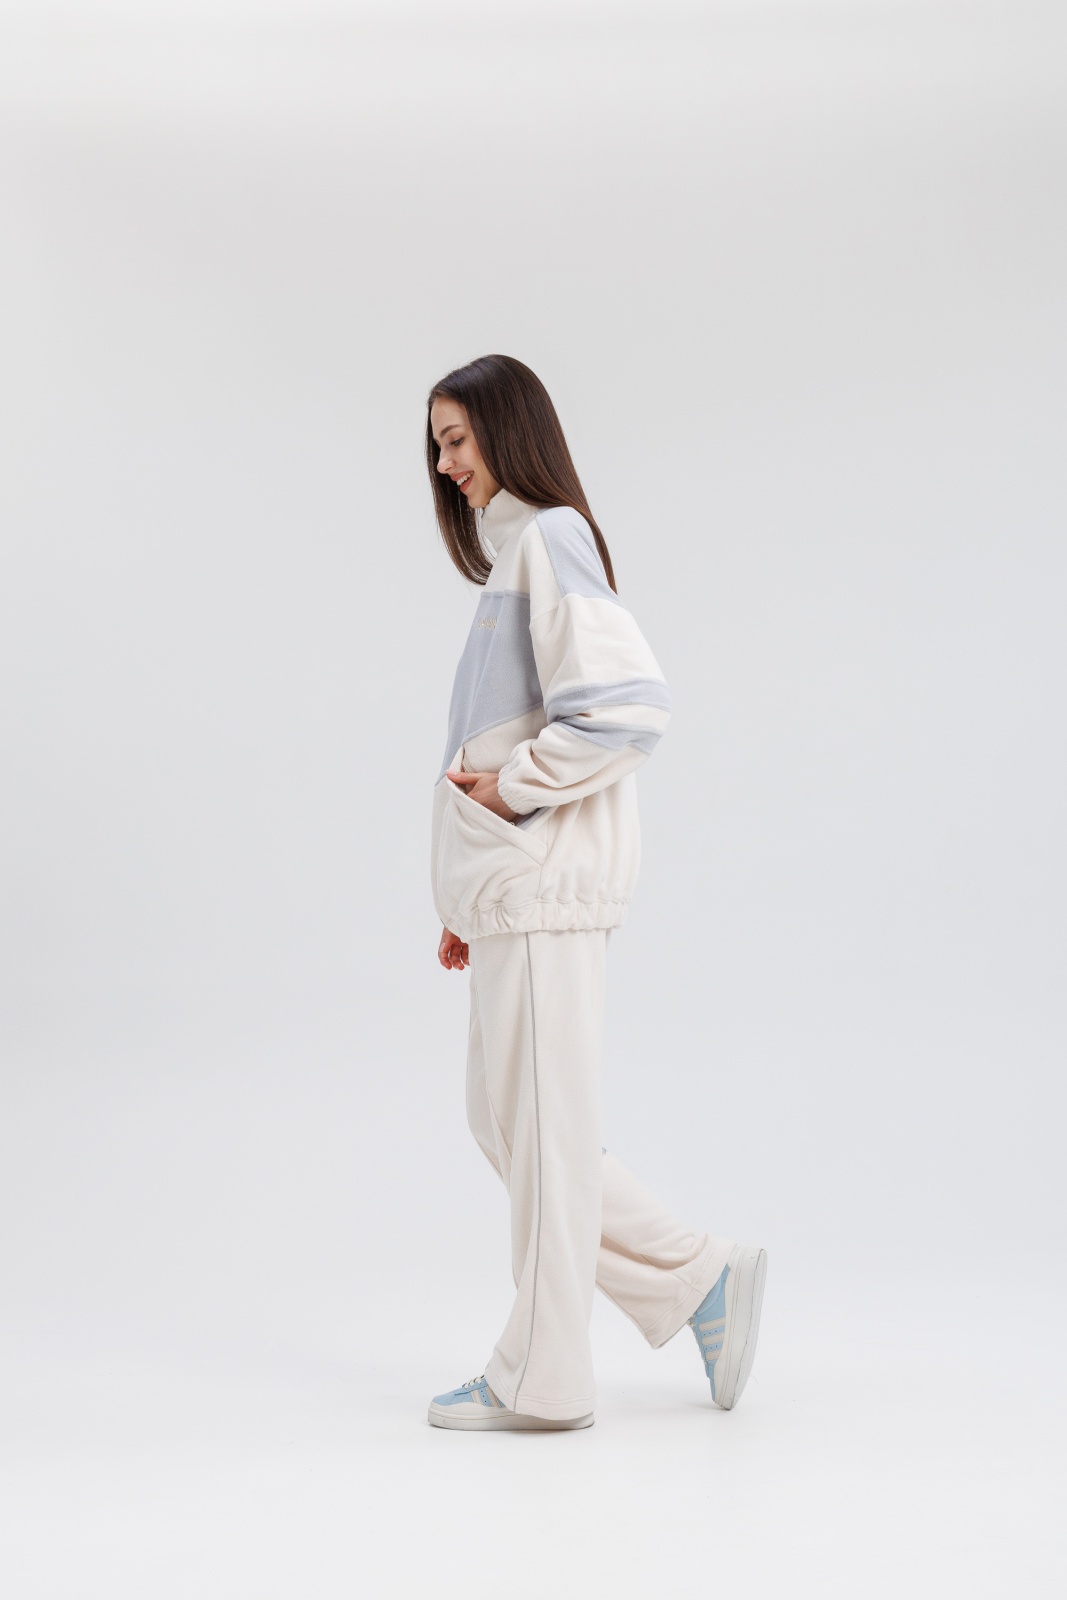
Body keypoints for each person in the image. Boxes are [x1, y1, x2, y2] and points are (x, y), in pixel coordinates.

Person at [425, 354, 766, 1432]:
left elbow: (626, 710)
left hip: (542, 892)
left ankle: (544, 1378)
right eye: (437, 446)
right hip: (513, 897)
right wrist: (467, 891)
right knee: (511, 1125)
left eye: (458, 439)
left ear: (506, 430)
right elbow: (500, 739)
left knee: (541, 1134)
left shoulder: (550, 538)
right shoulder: (515, 560)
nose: (446, 465)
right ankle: (696, 1276)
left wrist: (509, 798)